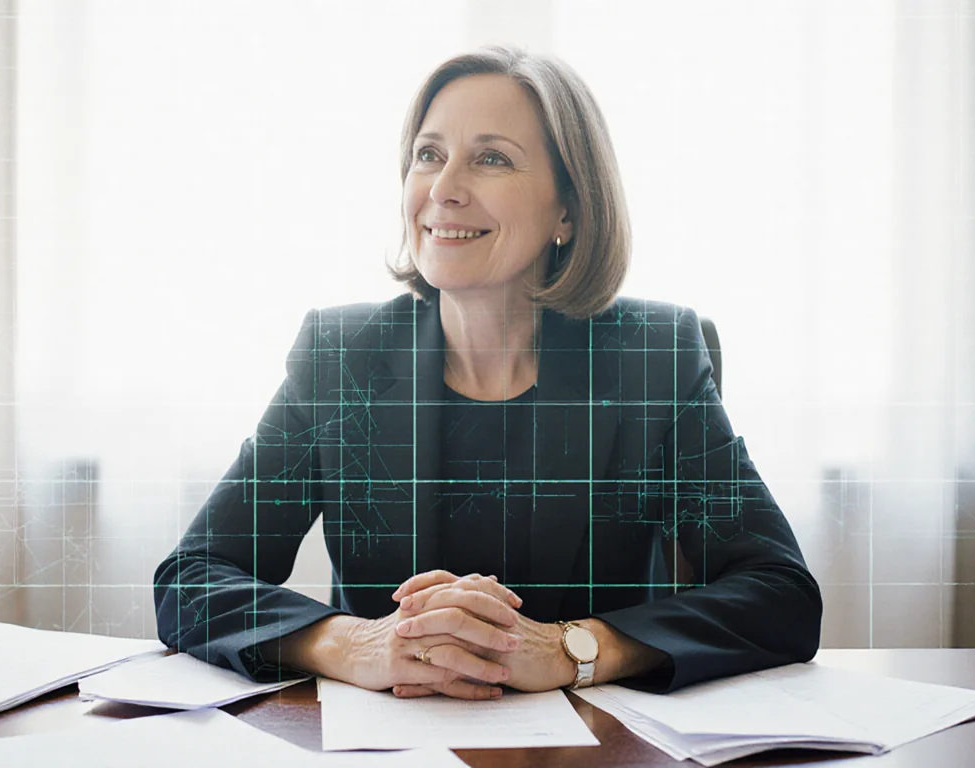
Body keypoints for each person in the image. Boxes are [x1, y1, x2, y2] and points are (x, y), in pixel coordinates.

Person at [154, 45, 821, 701]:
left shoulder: (652, 357)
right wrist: (353, 645)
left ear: (568, 210)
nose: (443, 190)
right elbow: (191, 579)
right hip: (388, 737)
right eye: (429, 155)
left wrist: (570, 649)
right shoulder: (341, 357)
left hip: (595, 741)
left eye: (491, 158)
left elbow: (780, 594)